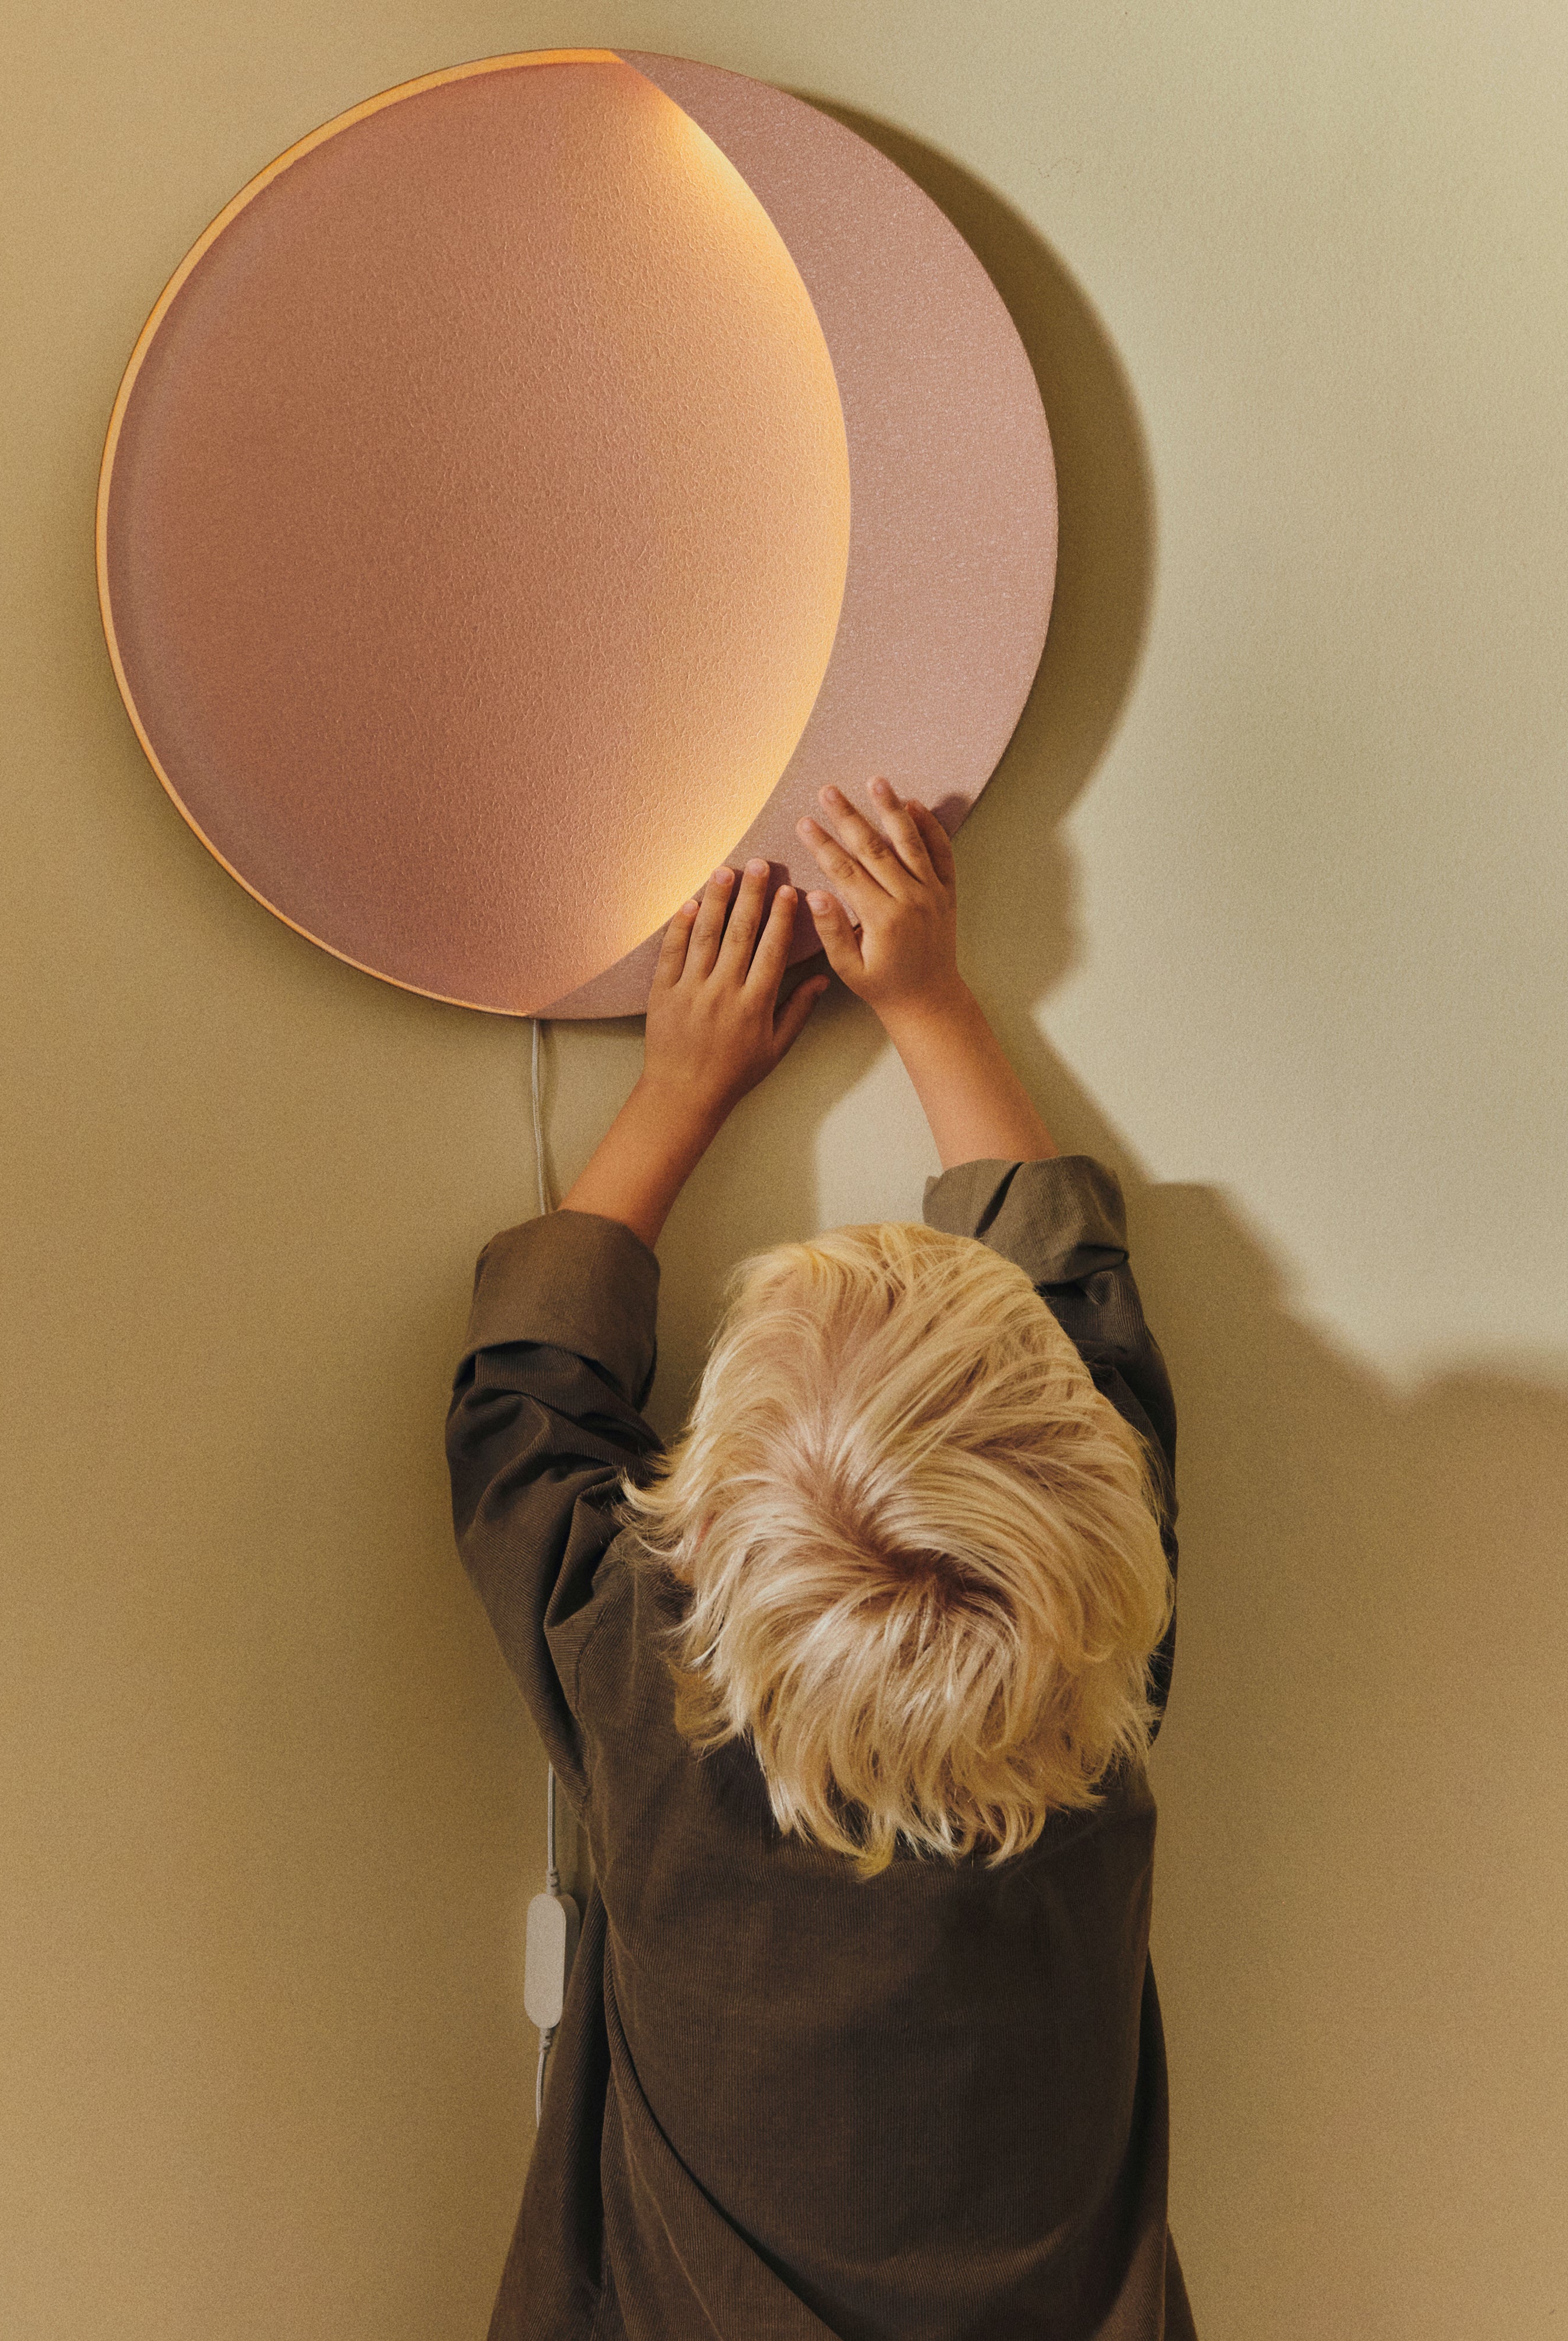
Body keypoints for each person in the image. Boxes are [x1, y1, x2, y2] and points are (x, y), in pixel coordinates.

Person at [445, 777, 1195, 2339]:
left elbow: (522, 1410)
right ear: (1091, 1522)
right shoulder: (1090, 1678)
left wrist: (679, 1092)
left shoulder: (650, 1678)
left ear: (694, 1539)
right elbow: (1080, 1329)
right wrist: (933, 1007)